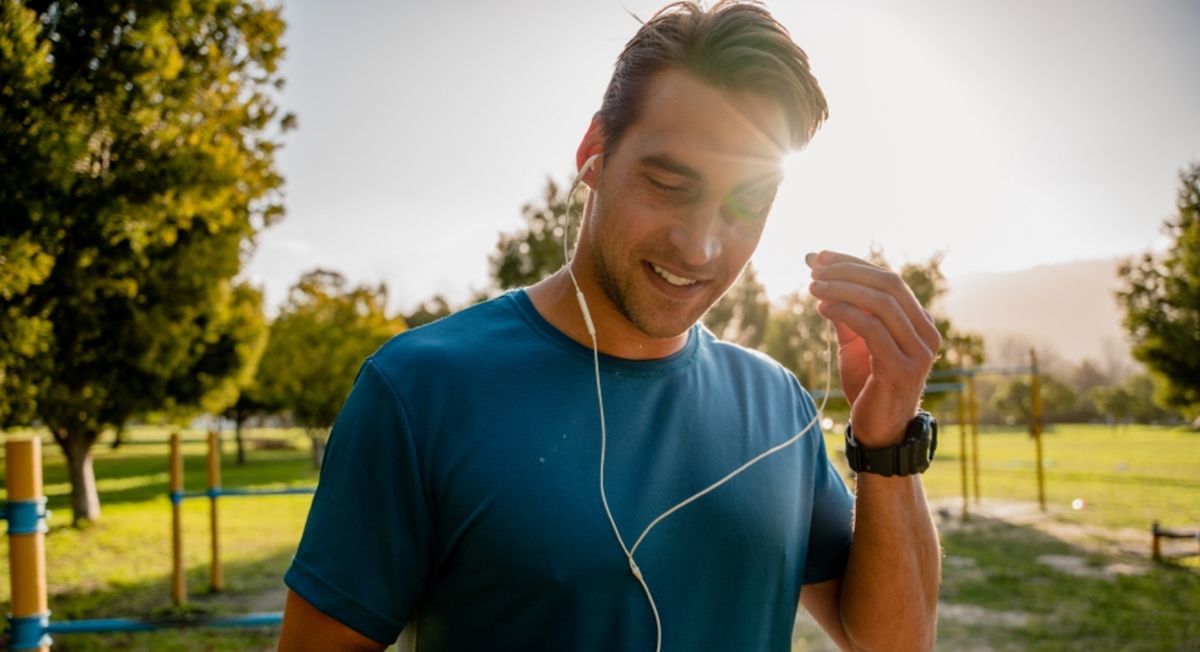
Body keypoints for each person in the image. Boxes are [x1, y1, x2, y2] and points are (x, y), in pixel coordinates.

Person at [277, 2, 941, 650]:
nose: (702, 247)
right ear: (594, 150)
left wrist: (888, 442)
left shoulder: (778, 406)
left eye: (747, 204)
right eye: (669, 184)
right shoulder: (419, 389)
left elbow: (893, 642)